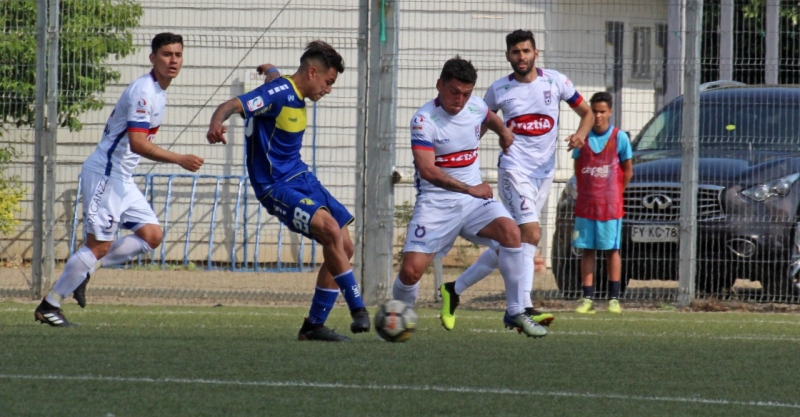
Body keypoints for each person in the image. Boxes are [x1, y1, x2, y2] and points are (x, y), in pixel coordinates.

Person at [34, 33, 205, 327]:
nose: (173, 60)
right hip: (105, 175)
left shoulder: (158, 90)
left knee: (151, 236)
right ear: (153, 58)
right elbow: (138, 144)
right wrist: (179, 159)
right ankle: (50, 304)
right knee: (98, 246)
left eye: (178, 54)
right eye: (166, 54)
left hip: (121, 178)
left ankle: (85, 271)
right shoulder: (144, 91)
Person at [207, 41, 370, 342]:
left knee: (345, 246)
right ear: (312, 72)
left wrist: (270, 69)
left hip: (302, 177)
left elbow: (275, 79)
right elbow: (234, 105)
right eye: (328, 82)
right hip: (275, 185)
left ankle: (313, 326)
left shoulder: (285, 87)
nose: (328, 89)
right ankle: (358, 308)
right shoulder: (278, 94)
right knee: (330, 230)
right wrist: (216, 123)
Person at [440, 29, 594, 330]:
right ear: (508, 55)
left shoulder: (556, 82)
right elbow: (477, 126)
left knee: (511, 243)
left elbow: (586, 113)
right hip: (513, 170)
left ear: (536, 53)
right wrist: (455, 156)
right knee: (531, 234)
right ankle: (522, 307)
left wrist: (580, 134)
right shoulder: (499, 89)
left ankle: (453, 289)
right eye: (515, 52)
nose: (521, 57)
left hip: (543, 173)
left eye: (525, 51)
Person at [393, 56, 547, 338]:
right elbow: (428, 170)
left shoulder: (475, 106)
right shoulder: (424, 120)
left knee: (511, 233)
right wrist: (469, 189)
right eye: (454, 92)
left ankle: (515, 311)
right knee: (411, 272)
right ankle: (398, 319)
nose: (460, 100)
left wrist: (504, 133)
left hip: (475, 201)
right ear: (439, 85)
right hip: (437, 203)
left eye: (466, 93)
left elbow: (491, 117)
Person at [572, 92, 633, 314]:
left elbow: (628, 171)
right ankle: (587, 298)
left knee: (611, 250)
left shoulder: (619, 138)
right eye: (594, 111)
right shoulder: (582, 137)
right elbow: (578, 168)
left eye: (602, 112)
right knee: (587, 250)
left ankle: (613, 298)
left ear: (610, 112)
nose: (597, 116)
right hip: (586, 205)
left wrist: (615, 193)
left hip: (610, 207)